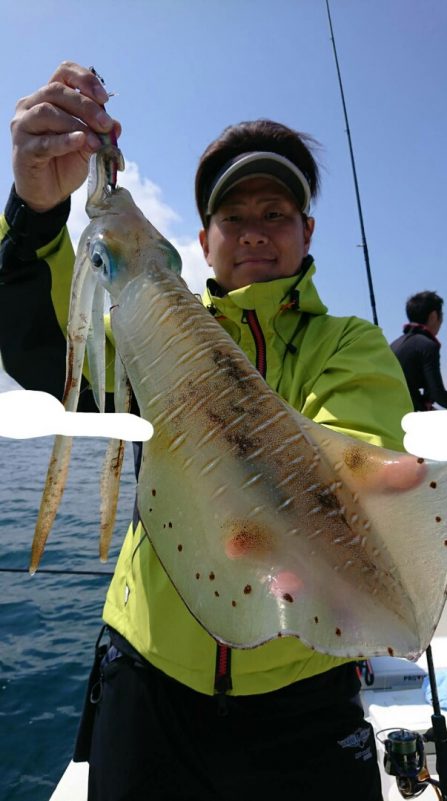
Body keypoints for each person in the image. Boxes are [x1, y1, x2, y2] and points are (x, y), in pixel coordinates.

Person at [0, 62, 414, 801]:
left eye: (275, 213)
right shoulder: (149, 330)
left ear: (306, 229)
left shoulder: (348, 345)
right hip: (149, 675)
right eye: (234, 216)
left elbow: (350, 463)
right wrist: (35, 213)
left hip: (303, 686)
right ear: (204, 236)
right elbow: (43, 346)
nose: (253, 233)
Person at [390, 290, 447, 411]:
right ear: (433, 316)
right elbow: (437, 393)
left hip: (389, 409)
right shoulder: (427, 346)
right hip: (404, 414)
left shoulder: (394, 345)